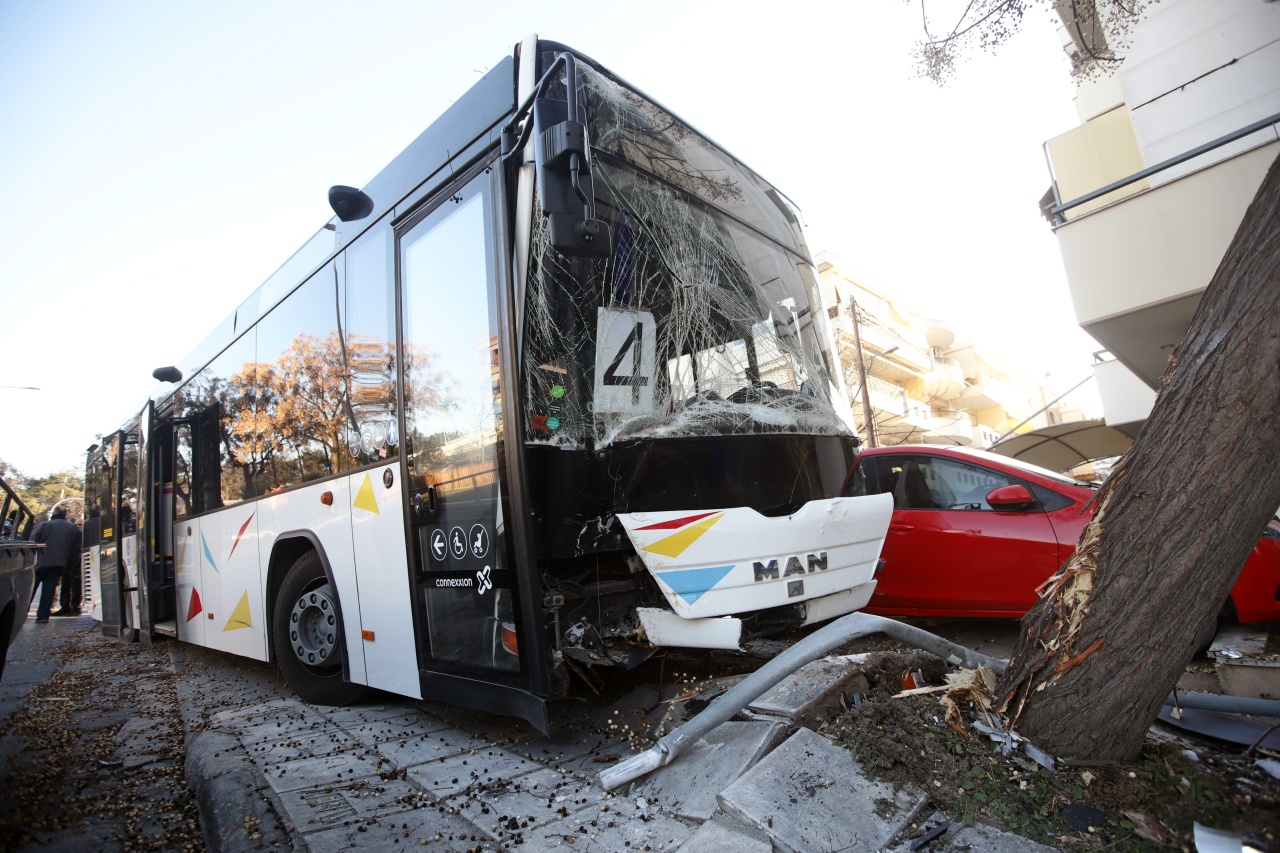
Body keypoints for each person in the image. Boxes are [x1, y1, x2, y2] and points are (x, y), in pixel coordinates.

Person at [30, 506, 82, 624]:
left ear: (53, 514)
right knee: (49, 589)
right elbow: (75, 549)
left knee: (31, 588)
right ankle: (43, 616)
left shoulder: (43, 525)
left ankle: (22, 613)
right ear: (65, 515)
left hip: (39, 562)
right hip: (58, 564)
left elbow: (33, 541)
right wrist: (70, 565)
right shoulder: (72, 528)